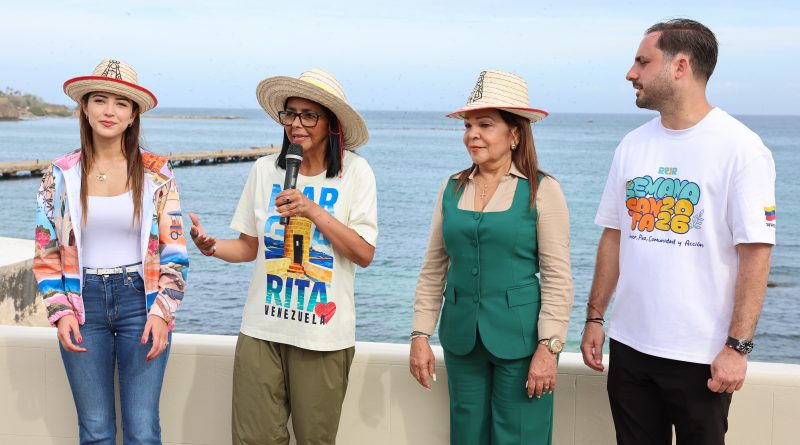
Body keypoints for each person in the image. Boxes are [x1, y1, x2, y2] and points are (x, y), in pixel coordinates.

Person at [580, 19, 776, 444]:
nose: (631, 73)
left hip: (700, 356)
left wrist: (738, 347)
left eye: (642, 62)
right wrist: (595, 317)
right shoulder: (632, 145)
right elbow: (614, 235)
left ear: (680, 66)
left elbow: (756, 252)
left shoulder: (741, 149)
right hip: (630, 348)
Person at [188, 68, 377, 445]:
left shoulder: (355, 173)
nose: (296, 123)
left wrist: (312, 210)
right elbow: (248, 247)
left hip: (322, 335)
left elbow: (363, 253)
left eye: (309, 115)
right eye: (290, 113)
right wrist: (212, 247)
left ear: (331, 123)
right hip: (262, 329)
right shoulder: (264, 170)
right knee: (252, 439)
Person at [409, 70, 573, 445]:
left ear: (515, 134)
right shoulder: (452, 187)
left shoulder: (542, 190)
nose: (472, 134)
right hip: (462, 339)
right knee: (466, 435)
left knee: (520, 436)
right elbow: (433, 268)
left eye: (485, 125)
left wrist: (549, 347)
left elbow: (557, 276)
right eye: (468, 126)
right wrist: (420, 334)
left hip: (522, 342)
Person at [32, 58, 189, 444]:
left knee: (143, 429)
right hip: (82, 305)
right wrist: (60, 312)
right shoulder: (59, 174)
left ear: (133, 115)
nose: (109, 111)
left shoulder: (157, 172)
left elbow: (175, 251)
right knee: (96, 429)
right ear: (84, 107)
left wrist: (163, 312)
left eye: (121, 103)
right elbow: (46, 252)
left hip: (141, 302)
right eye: (99, 100)